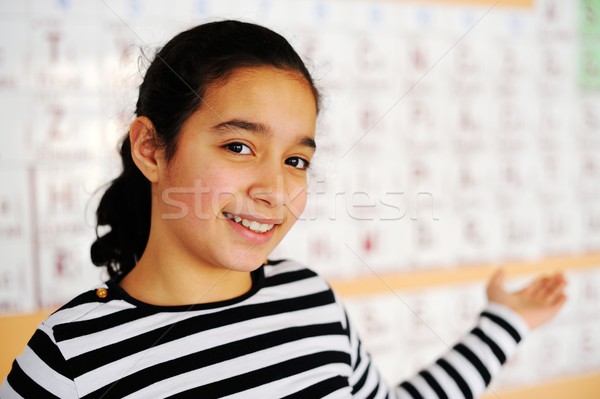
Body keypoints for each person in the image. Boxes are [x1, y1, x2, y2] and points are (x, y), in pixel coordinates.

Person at [1, 20, 567, 399]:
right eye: (239, 146)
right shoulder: (69, 359)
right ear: (151, 147)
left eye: (296, 160)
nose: (275, 190)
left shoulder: (309, 299)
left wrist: (505, 321)